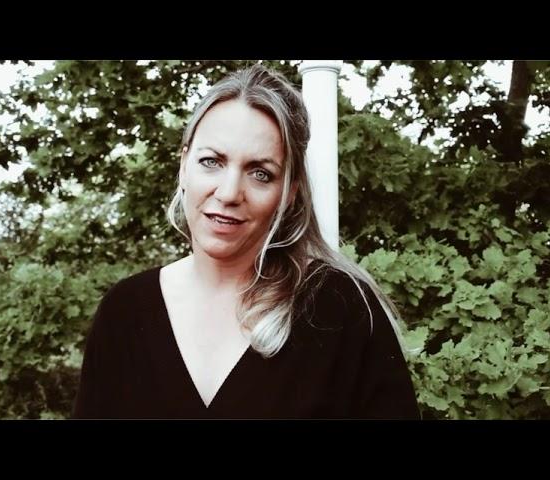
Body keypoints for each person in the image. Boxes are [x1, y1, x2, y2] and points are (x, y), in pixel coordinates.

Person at [72, 63, 421, 419]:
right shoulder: (124, 312)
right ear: (184, 165)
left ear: (289, 193)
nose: (228, 193)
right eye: (211, 161)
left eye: (260, 174)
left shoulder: (341, 309)